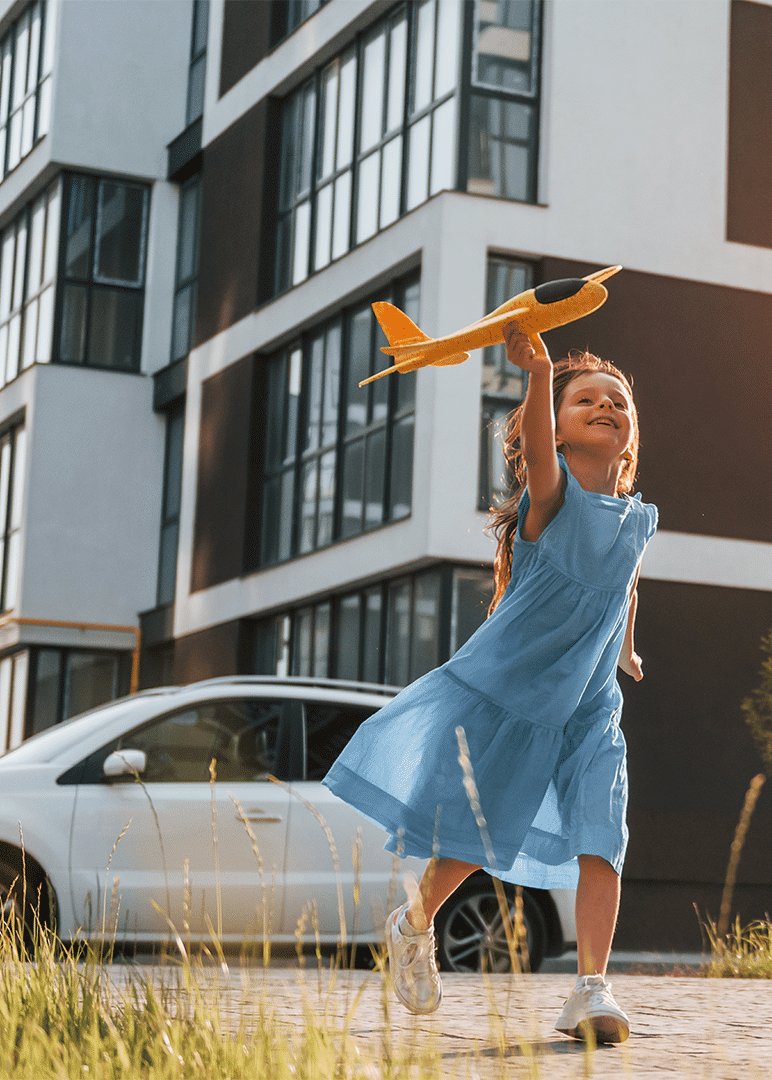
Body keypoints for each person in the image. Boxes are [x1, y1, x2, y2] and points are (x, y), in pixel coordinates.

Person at [322, 321, 653, 1044]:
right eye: (586, 400)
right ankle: (414, 924)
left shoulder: (636, 521)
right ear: (558, 435)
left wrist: (626, 650)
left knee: (605, 836)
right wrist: (538, 376)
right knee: (476, 835)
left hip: (590, 710)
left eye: (618, 402)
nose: (605, 406)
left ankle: (591, 989)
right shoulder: (552, 501)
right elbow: (537, 456)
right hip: (517, 695)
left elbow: (624, 587)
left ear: (631, 437)